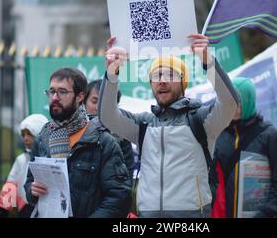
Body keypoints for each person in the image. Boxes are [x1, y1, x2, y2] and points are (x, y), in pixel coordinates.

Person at [98, 33, 239, 218]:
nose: (162, 80)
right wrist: (112, 72)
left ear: (183, 82)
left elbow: (230, 103)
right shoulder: (143, 124)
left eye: (170, 74)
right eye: (156, 76)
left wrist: (208, 62)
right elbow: (107, 116)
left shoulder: (202, 120)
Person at [24, 67, 132, 217]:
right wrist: (32, 190)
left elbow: (119, 198)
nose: (54, 97)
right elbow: (29, 184)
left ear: (80, 96)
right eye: (51, 91)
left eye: (62, 92)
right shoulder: (43, 137)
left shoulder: (102, 141)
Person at [212, 77, 277, 218]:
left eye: (238, 101)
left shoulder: (270, 135)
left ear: (248, 100)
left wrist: (266, 212)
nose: (232, 106)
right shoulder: (217, 133)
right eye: (228, 100)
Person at [0, 114, 48, 218]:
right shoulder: (21, 160)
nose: (25, 138)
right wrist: (1, 212)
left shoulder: (50, 159)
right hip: (26, 211)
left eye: (30, 133)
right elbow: (10, 188)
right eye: (23, 134)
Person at [83, 79, 135, 182]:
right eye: (94, 101)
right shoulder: (74, 130)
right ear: (83, 102)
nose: (99, 107)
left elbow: (127, 172)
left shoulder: (122, 134)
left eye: (107, 103)